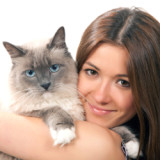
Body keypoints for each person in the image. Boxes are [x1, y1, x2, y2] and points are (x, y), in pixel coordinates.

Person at [0, 7, 160, 160]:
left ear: (148, 88)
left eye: (123, 82)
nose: (100, 96)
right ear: (78, 66)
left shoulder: (106, 147)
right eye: (92, 72)